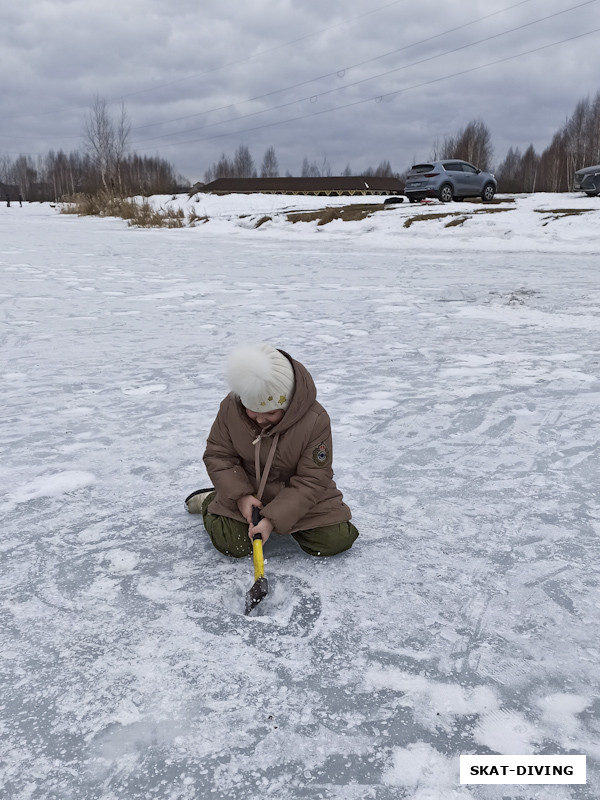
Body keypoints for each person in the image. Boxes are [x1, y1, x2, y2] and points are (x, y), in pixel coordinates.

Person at [185, 343, 358, 558]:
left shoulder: (315, 420)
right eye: (253, 411)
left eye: (270, 413)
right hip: (248, 487)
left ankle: (280, 519)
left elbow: (312, 479)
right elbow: (218, 455)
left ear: (287, 405)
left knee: (336, 539)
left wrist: (273, 519)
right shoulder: (230, 409)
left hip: (297, 494)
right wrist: (240, 497)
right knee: (232, 543)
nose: (260, 419)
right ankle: (212, 499)